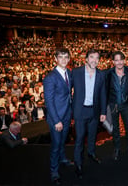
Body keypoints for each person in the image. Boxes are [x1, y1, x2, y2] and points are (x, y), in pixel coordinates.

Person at [71, 49, 106, 179]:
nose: (94, 60)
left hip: (94, 111)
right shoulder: (76, 72)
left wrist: (103, 111)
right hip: (80, 111)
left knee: (92, 136)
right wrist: (70, 111)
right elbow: (68, 92)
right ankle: (78, 164)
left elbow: (103, 94)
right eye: (92, 57)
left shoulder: (101, 74)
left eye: (97, 58)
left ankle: (91, 153)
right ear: (86, 59)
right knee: (79, 138)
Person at [43, 48, 73, 185]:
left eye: (66, 57)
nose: (63, 59)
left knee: (62, 141)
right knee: (55, 145)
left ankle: (63, 159)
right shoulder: (50, 77)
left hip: (67, 115)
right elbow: (48, 102)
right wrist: (56, 121)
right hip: (56, 118)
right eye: (60, 57)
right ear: (55, 59)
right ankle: (54, 171)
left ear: (69, 58)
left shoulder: (69, 73)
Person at [105, 51, 128, 160]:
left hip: (126, 105)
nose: (119, 62)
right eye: (116, 60)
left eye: (121, 60)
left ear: (124, 60)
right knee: (116, 129)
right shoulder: (108, 74)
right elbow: (105, 90)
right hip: (113, 105)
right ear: (113, 62)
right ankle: (117, 148)